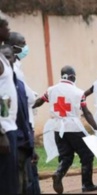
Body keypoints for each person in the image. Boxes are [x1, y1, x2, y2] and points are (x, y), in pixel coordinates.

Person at [32, 65, 97, 194]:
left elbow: (40, 101)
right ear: (72, 76)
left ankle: (58, 173)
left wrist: (30, 106)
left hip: (57, 128)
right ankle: (87, 184)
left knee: (66, 156)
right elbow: (86, 113)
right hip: (73, 127)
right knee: (87, 155)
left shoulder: (51, 90)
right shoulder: (78, 92)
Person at [6, 31, 41, 194]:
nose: (26, 47)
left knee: (27, 174)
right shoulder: (13, 72)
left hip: (23, 128)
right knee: (22, 177)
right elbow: (25, 101)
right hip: (15, 130)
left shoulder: (16, 71)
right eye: (23, 43)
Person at [0, 44, 35, 194]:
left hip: (21, 137)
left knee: (23, 181)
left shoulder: (17, 83)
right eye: (6, 57)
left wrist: (30, 142)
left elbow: (22, 112)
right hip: (10, 135)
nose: (9, 60)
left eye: (10, 57)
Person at [0, 11, 19, 194]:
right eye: (6, 26)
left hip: (9, 125)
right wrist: (1, 133)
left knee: (11, 180)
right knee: (6, 183)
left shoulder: (3, 59)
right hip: (3, 130)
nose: (9, 29)